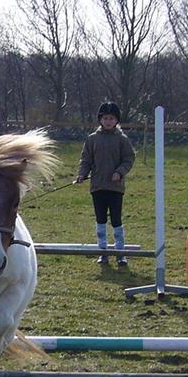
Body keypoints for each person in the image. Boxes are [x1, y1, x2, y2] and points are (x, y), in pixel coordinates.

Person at [75, 101, 135, 266]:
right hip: (97, 186)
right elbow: (86, 159)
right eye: (105, 118)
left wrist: (119, 172)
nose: (108, 121)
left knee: (116, 220)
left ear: (116, 120)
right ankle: (103, 252)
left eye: (111, 118)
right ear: (100, 119)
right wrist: (82, 174)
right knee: (100, 220)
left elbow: (129, 159)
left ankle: (120, 253)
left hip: (116, 188)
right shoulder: (92, 139)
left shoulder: (122, 139)